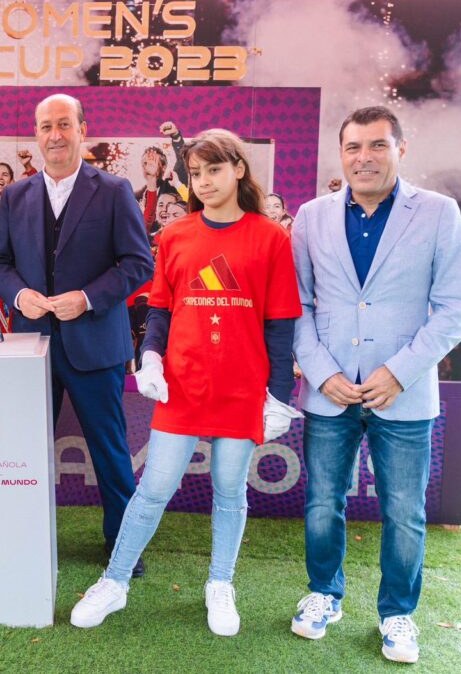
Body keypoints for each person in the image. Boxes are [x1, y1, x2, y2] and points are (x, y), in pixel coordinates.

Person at [70, 129, 302, 634]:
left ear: (239, 170)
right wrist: (149, 358)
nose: (204, 181)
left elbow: (281, 325)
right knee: (153, 487)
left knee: (228, 489)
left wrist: (279, 397)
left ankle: (220, 584)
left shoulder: (271, 237)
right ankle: (114, 581)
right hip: (182, 386)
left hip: (243, 389)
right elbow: (160, 312)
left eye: (214, 170)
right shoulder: (174, 236)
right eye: (196, 173)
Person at [290, 106, 461, 664]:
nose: (363, 158)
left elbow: (454, 309)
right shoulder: (311, 216)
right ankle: (324, 594)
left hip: (405, 393)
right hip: (330, 392)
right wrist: (323, 374)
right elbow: (294, 307)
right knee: (323, 503)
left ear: (400, 149)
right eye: (352, 148)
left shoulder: (440, 213)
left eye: (376, 146)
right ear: (340, 153)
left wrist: (398, 372)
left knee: (404, 511)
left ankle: (397, 613)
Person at [0, 94, 154, 576]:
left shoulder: (114, 190)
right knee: (21, 449)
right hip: (31, 345)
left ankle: (123, 547)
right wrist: (20, 296)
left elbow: (138, 263)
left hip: (95, 345)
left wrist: (86, 298)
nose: (55, 135)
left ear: (83, 129)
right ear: (36, 134)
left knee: (109, 449)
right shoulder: (15, 196)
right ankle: (23, 537)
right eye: (45, 126)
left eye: (64, 124)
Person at [133, 146, 178, 233]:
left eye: (153, 163)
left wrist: (176, 137)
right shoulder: (135, 196)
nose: (148, 167)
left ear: (164, 167)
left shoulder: (173, 189)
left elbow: (181, 161)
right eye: (145, 164)